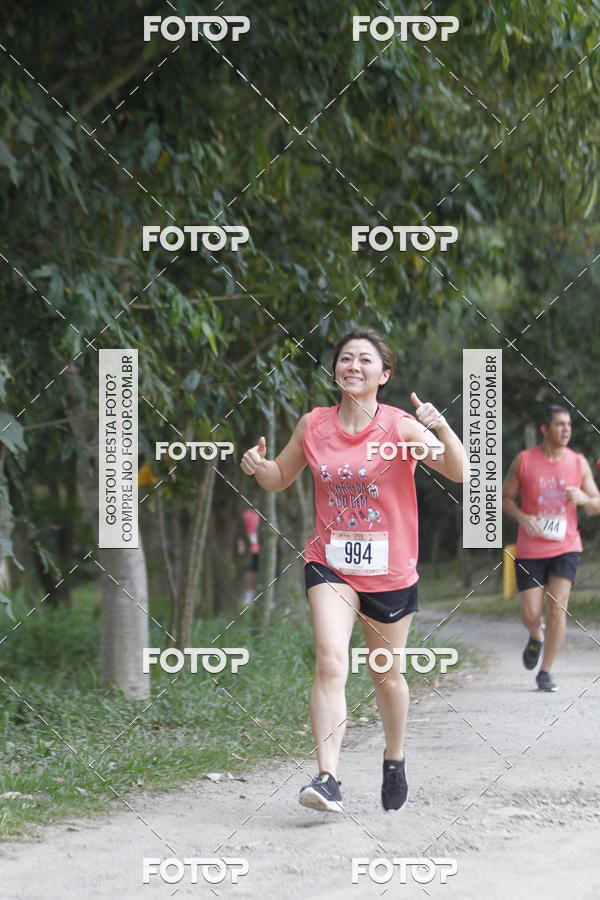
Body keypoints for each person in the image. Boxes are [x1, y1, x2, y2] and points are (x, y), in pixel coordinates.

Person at [240, 327, 466, 812]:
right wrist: (258, 466)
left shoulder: (401, 427)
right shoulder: (313, 425)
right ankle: (327, 778)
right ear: (335, 368)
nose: (353, 366)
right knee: (329, 661)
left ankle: (394, 757)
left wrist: (442, 427)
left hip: (390, 571)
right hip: (330, 565)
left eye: (366, 360)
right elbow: (279, 478)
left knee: (385, 672)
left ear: (384, 374)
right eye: (346, 358)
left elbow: (459, 471)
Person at [502, 405, 600, 692]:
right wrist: (522, 517)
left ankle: (545, 671)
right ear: (545, 430)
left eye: (568, 424)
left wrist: (583, 497)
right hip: (531, 548)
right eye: (559, 424)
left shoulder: (578, 462)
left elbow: (596, 503)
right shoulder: (524, 461)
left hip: (566, 546)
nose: (566, 429)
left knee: (557, 609)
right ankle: (535, 635)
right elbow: (506, 497)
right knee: (531, 614)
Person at [238, 508, 260, 605]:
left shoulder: (261, 514)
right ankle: (249, 595)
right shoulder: (245, 514)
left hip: (259, 548)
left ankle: (253, 594)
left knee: (255, 572)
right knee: (250, 571)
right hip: (250, 548)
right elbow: (242, 531)